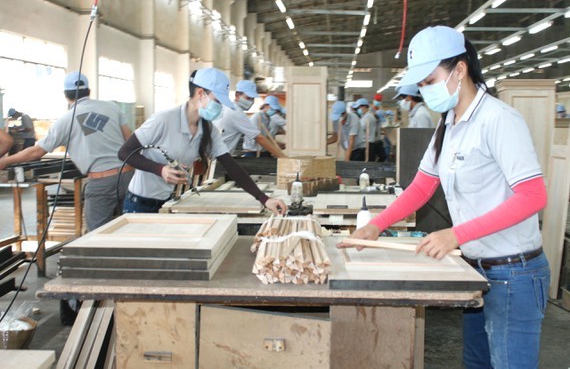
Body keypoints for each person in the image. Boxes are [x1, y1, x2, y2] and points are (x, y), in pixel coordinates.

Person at [339, 26, 549, 369]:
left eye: (429, 80)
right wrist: (376, 226)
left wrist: (456, 234)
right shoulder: (448, 124)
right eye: (420, 85)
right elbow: (422, 186)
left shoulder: (499, 120)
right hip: (477, 270)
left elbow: (532, 196)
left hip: (515, 274)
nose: (424, 90)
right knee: (476, 362)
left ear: (460, 69)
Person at [118, 68, 287, 215]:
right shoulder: (164, 120)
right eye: (217, 101)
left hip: (166, 201)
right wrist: (160, 169)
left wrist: (264, 199)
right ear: (200, 93)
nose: (220, 107)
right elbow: (124, 153)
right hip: (139, 203)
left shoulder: (207, 129)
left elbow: (231, 166)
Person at [0, 72, 133, 231]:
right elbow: (130, 140)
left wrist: (5, 161)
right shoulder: (112, 107)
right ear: (88, 90)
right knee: (129, 227)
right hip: (129, 176)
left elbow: (36, 152)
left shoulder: (65, 120)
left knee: (98, 236)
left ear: (65, 95)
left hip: (102, 183)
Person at [213, 80, 284, 158]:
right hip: (219, 156)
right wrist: (282, 157)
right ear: (237, 95)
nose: (250, 102)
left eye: (252, 99)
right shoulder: (236, 113)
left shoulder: (228, 107)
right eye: (248, 98)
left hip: (216, 153)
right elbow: (259, 137)